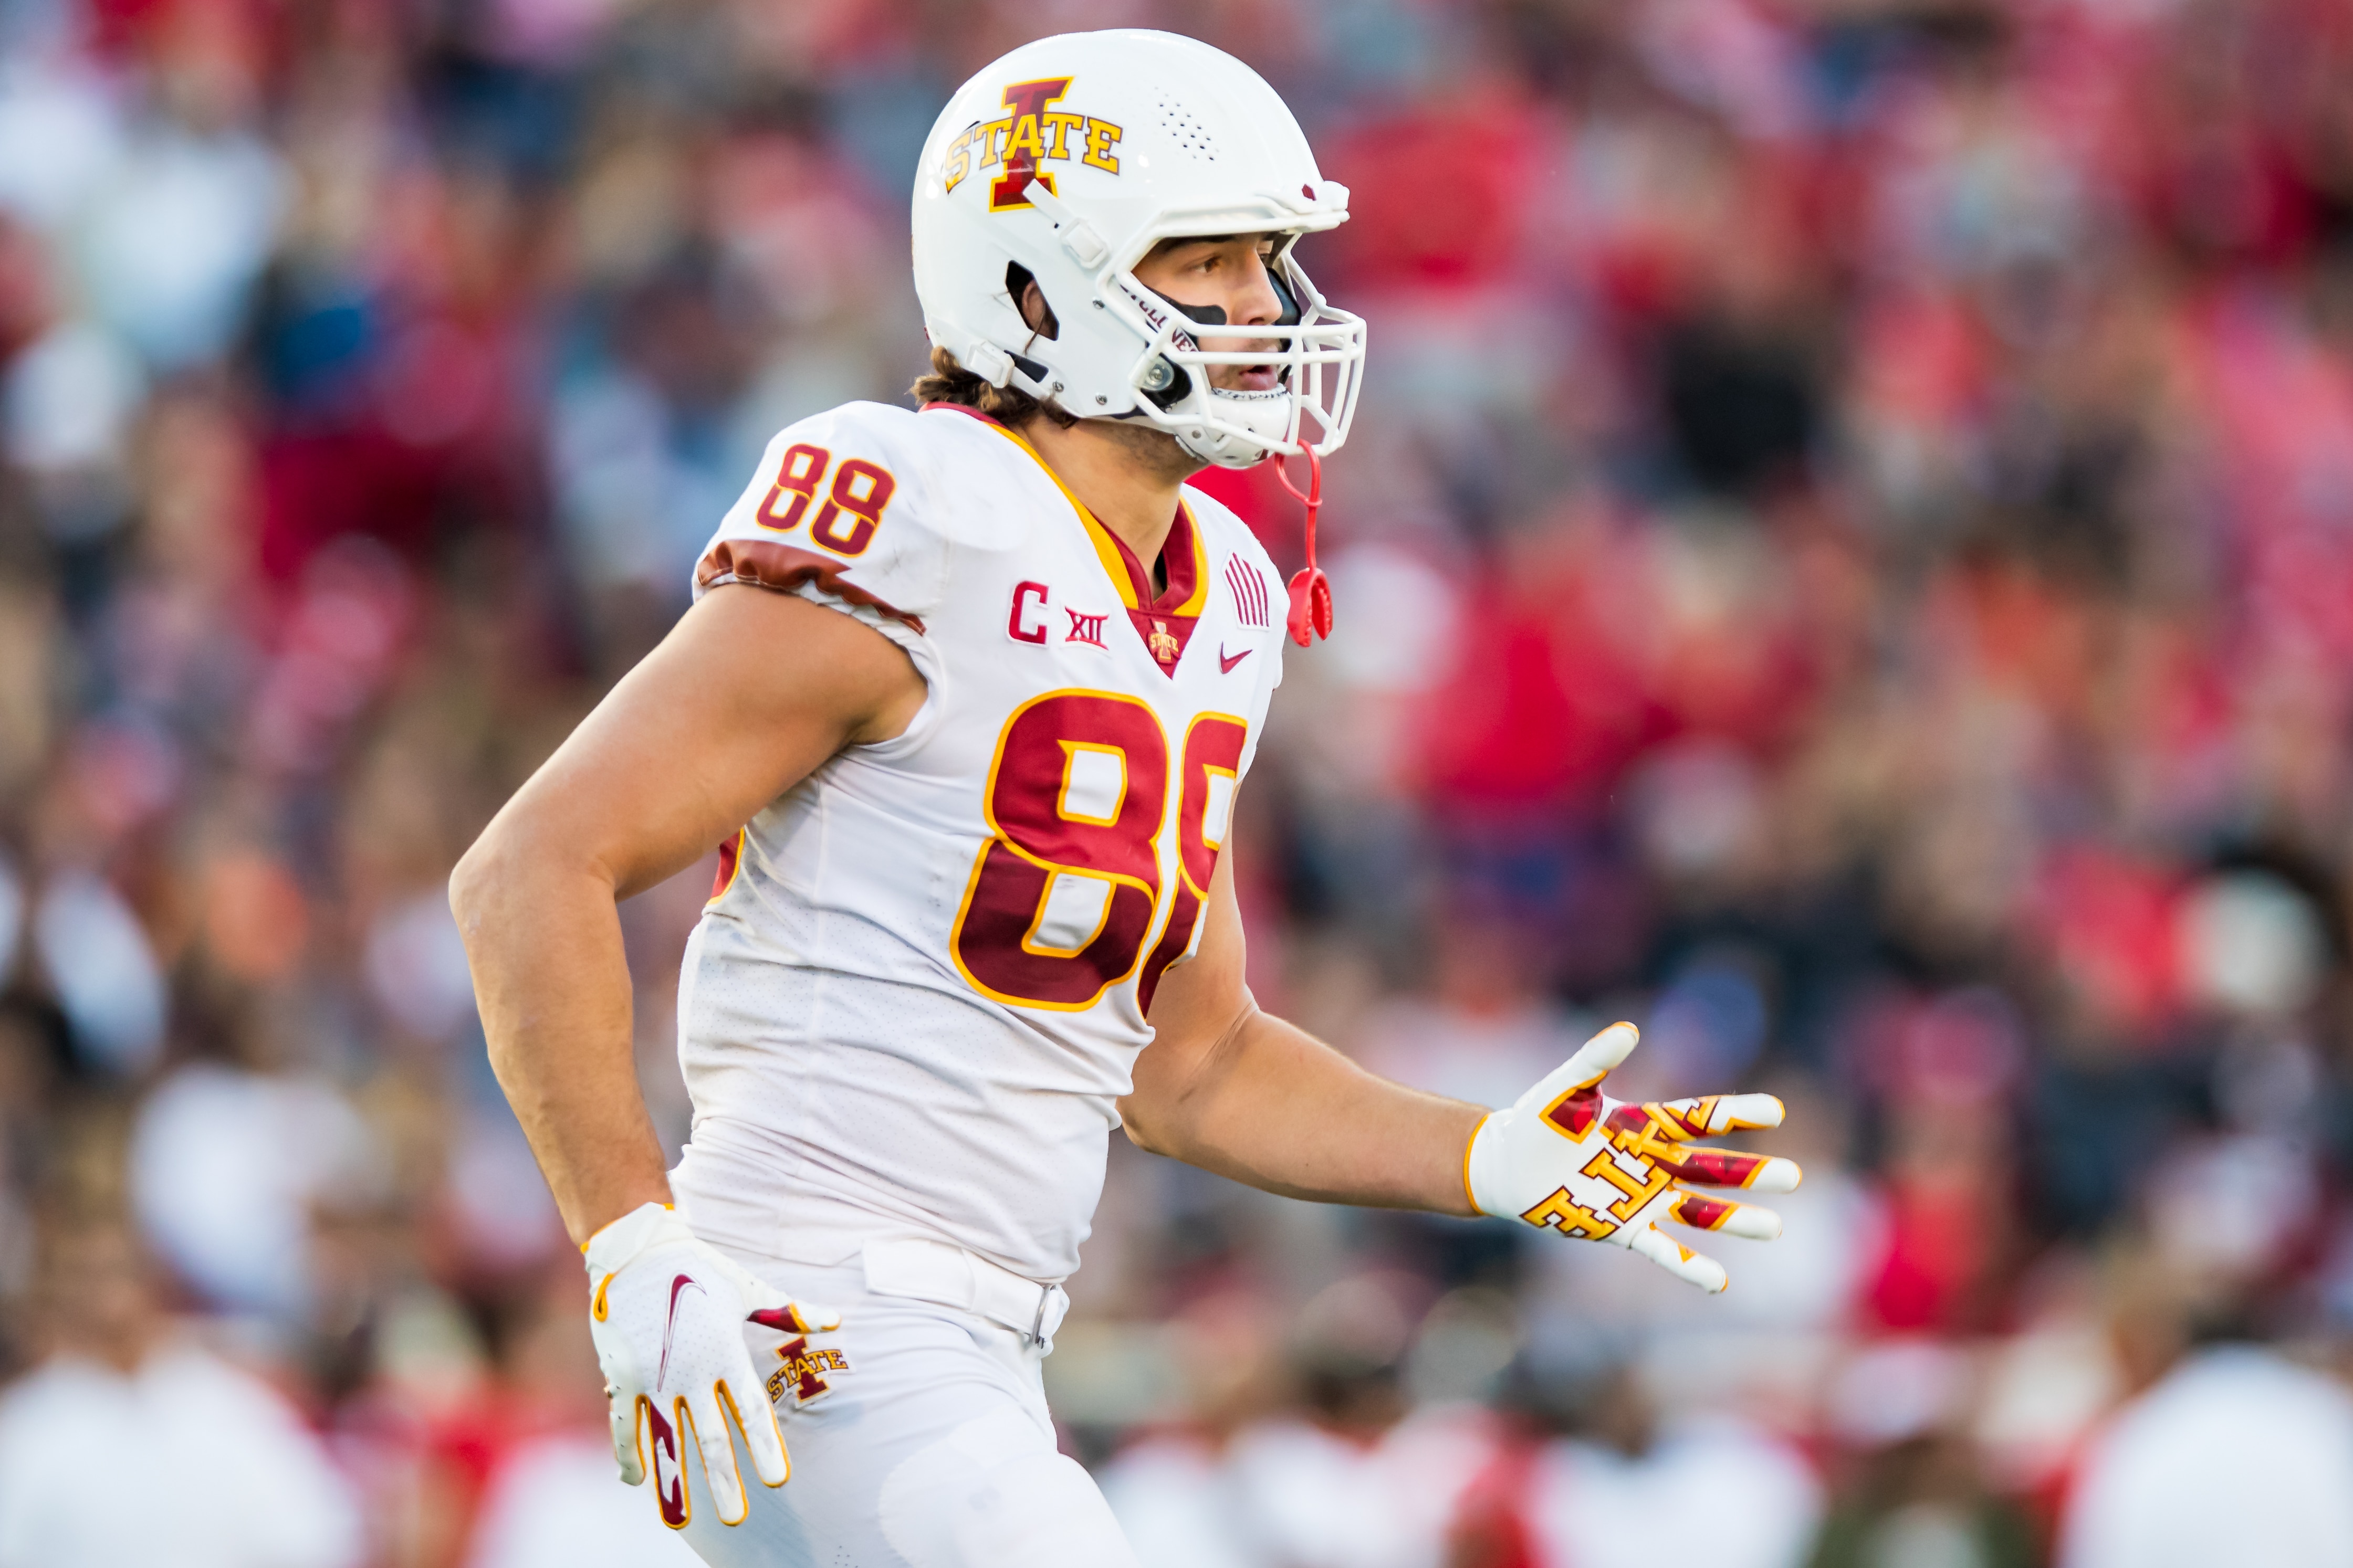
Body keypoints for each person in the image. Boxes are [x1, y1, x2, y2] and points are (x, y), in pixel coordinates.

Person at [451, 28, 1801, 1566]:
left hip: (978, 1349)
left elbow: (1191, 1060)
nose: (1265, 308)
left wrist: (1492, 1154)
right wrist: (634, 1248)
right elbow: (530, 868)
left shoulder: (1219, 585)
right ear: (1032, 288)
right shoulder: (917, 503)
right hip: (815, 1308)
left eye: (1267, 261)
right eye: (1207, 262)